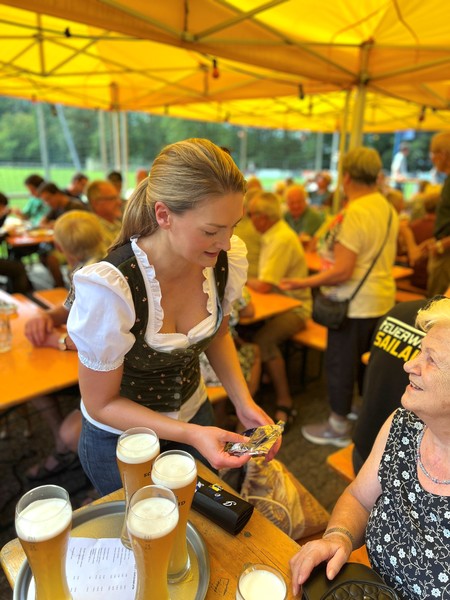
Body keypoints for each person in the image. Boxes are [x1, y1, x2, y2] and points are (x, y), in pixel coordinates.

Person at [67, 139, 277, 496]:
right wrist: (191, 434)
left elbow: (219, 332)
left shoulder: (223, 260)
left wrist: (243, 401)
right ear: (163, 215)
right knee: (144, 535)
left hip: (196, 416)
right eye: (212, 231)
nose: (226, 243)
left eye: (233, 227)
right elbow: (100, 403)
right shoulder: (113, 286)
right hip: (125, 443)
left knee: (202, 529)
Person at [290, 296, 450, 600]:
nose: (408, 365)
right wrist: (338, 536)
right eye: (419, 352)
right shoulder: (404, 423)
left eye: (431, 359)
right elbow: (360, 498)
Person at [281, 147, 398, 446]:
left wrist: (303, 282)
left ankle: (337, 426)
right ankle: (360, 412)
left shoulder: (355, 212)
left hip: (353, 303)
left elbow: (343, 270)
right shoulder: (386, 207)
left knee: (340, 363)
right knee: (365, 364)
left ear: (345, 177)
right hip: (382, 299)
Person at [24, 211, 108, 479]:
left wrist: (56, 341)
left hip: (108, 372)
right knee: (37, 385)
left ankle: (68, 451)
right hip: (89, 366)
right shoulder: (89, 267)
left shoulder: (96, 274)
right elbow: (69, 307)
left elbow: (101, 338)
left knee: (39, 384)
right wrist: (46, 316)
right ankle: (65, 449)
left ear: (60, 248)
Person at [247, 191, 312, 427]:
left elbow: (264, 285)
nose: (250, 219)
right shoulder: (275, 235)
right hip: (279, 305)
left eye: (252, 214)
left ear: (263, 217)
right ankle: (261, 382)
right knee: (250, 332)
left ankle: (285, 401)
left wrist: (243, 278)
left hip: (296, 309)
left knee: (263, 340)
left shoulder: (280, 238)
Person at [352, 299, 427, 474]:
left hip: (364, 444)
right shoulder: (442, 331)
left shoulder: (400, 310)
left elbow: (371, 360)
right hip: (406, 471)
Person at [425, 132, 450, 296]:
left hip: (446, 255)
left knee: (437, 309)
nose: (432, 158)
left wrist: (442, 245)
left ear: (443, 155)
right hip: (443, 250)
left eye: (432, 153)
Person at [86, 180, 123, 247]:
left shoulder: (118, 224)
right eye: (112, 198)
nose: (119, 203)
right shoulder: (93, 232)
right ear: (95, 203)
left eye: (118, 197)